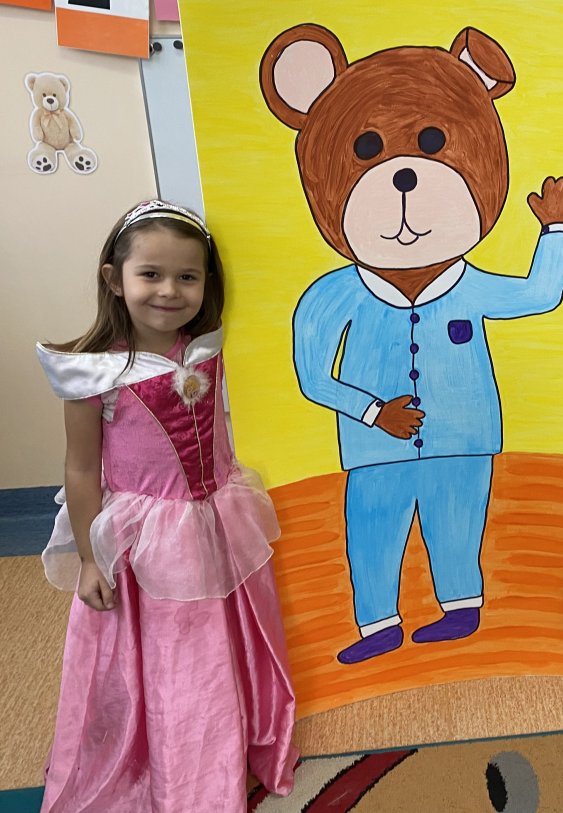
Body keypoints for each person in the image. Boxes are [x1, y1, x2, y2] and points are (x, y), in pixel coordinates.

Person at [36, 200, 298, 811]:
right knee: (171, 656)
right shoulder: (95, 375)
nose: (169, 291)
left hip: (218, 519)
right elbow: (81, 469)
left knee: (223, 638)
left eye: (187, 276)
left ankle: (234, 736)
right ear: (114, 279)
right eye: (150, 274)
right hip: (148, 539)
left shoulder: (211, 349)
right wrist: (90, 559)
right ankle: (187, 776)